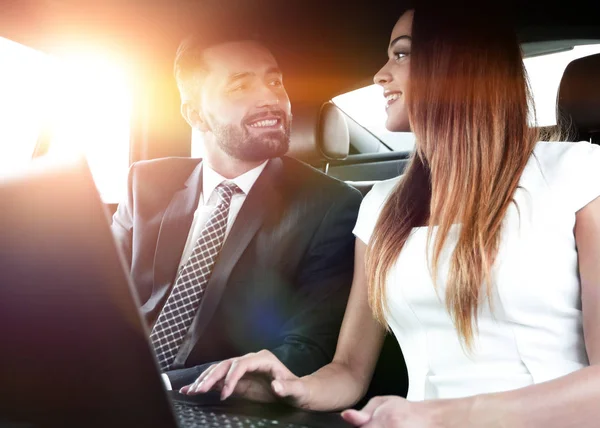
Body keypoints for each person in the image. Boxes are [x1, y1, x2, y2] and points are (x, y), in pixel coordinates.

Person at [179, 4, 600, 427]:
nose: (380, 74)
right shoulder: (382, 205)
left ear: (461, 65)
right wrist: (292, 387)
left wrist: (447, 415)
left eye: (401, 54)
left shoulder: (578, 173)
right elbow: (348, 372)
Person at [110, 30, 362, 391]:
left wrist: (156, 385)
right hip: (107, 385)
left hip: (213, 402)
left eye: (275, 80)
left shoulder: (331, 206)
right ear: (195, 114)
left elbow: (309, 349)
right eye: (240, 86)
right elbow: (99, 299)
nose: (270, 97)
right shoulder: (146, 182)